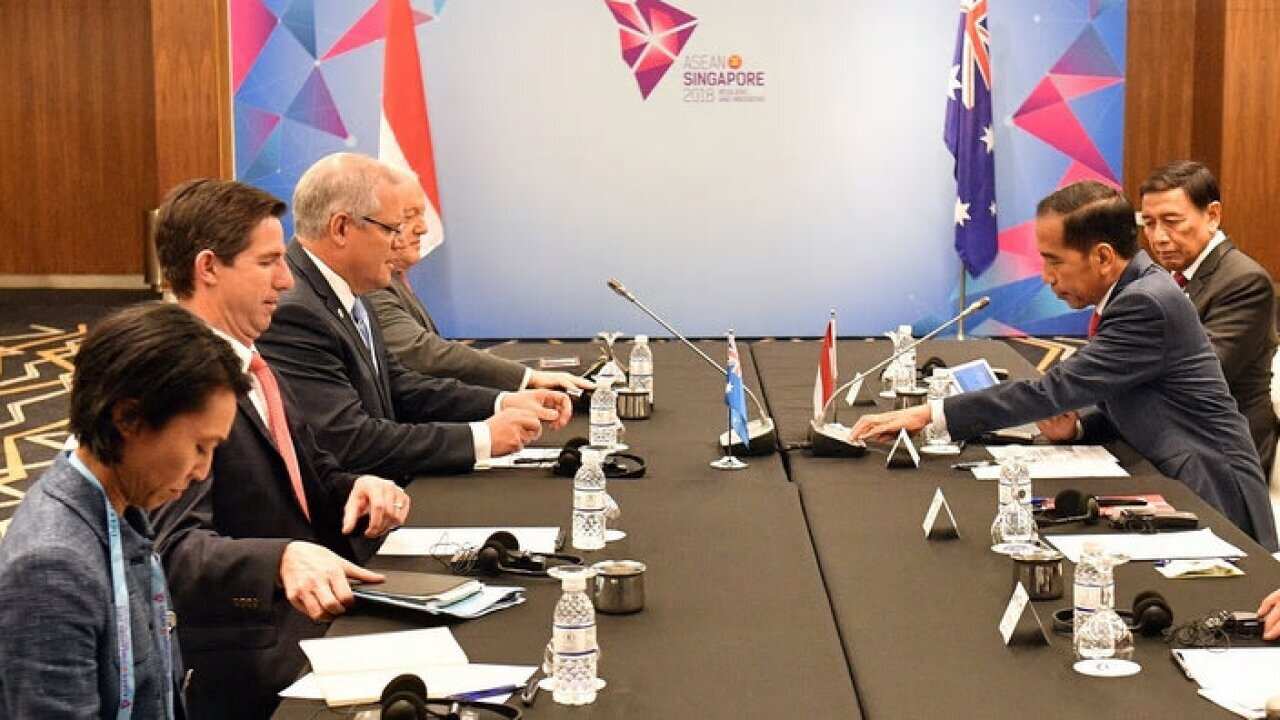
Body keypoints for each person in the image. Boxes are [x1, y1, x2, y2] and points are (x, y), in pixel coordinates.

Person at [850, 181, 1278, 550]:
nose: (1046, 276)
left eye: (1054, 261)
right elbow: (1136, 394)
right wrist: (1076, 429)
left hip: (1210, 485)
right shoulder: (1135, 290)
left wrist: (931, 415)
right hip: (1176, 469)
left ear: (1103, 257)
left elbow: (1050, 391)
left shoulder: (1145, 302)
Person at [149, 178, 411, 719]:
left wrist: (358, 487)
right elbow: (172, 551)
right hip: (252, 648)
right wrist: (279, 558)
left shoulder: (252, 360)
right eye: (268, 262)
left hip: (319, 605)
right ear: (208, 268)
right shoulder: (172, 381)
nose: (287, 278)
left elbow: (312, 470)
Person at [0, 303, 248, 718]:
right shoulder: (52, 566)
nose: (203, 472)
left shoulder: (122, 509)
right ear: (128, 418)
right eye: (198, 447)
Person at [256, 153, 571, 479]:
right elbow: (348, 440)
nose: (398, 243)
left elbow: (399, 386)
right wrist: (483, 437)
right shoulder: (295, 312)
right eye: (392, 229)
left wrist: (502, 403)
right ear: (341, 228)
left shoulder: (347, 288)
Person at [367, 173, 594, 392]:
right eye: (408, 216)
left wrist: (510, 393)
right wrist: (527, 379)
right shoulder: (372, 286)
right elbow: (424, 354)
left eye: (422, 214)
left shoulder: (395, 279)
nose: (423, 228)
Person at [1140, 161, 1278, 474]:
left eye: (1172, 221)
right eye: (1148, 223)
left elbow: (1202, 376)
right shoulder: (1171, 277)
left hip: (1225, 452)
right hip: (1180, 435)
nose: (1158, 237)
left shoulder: (1243, 281)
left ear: (1212, 215)